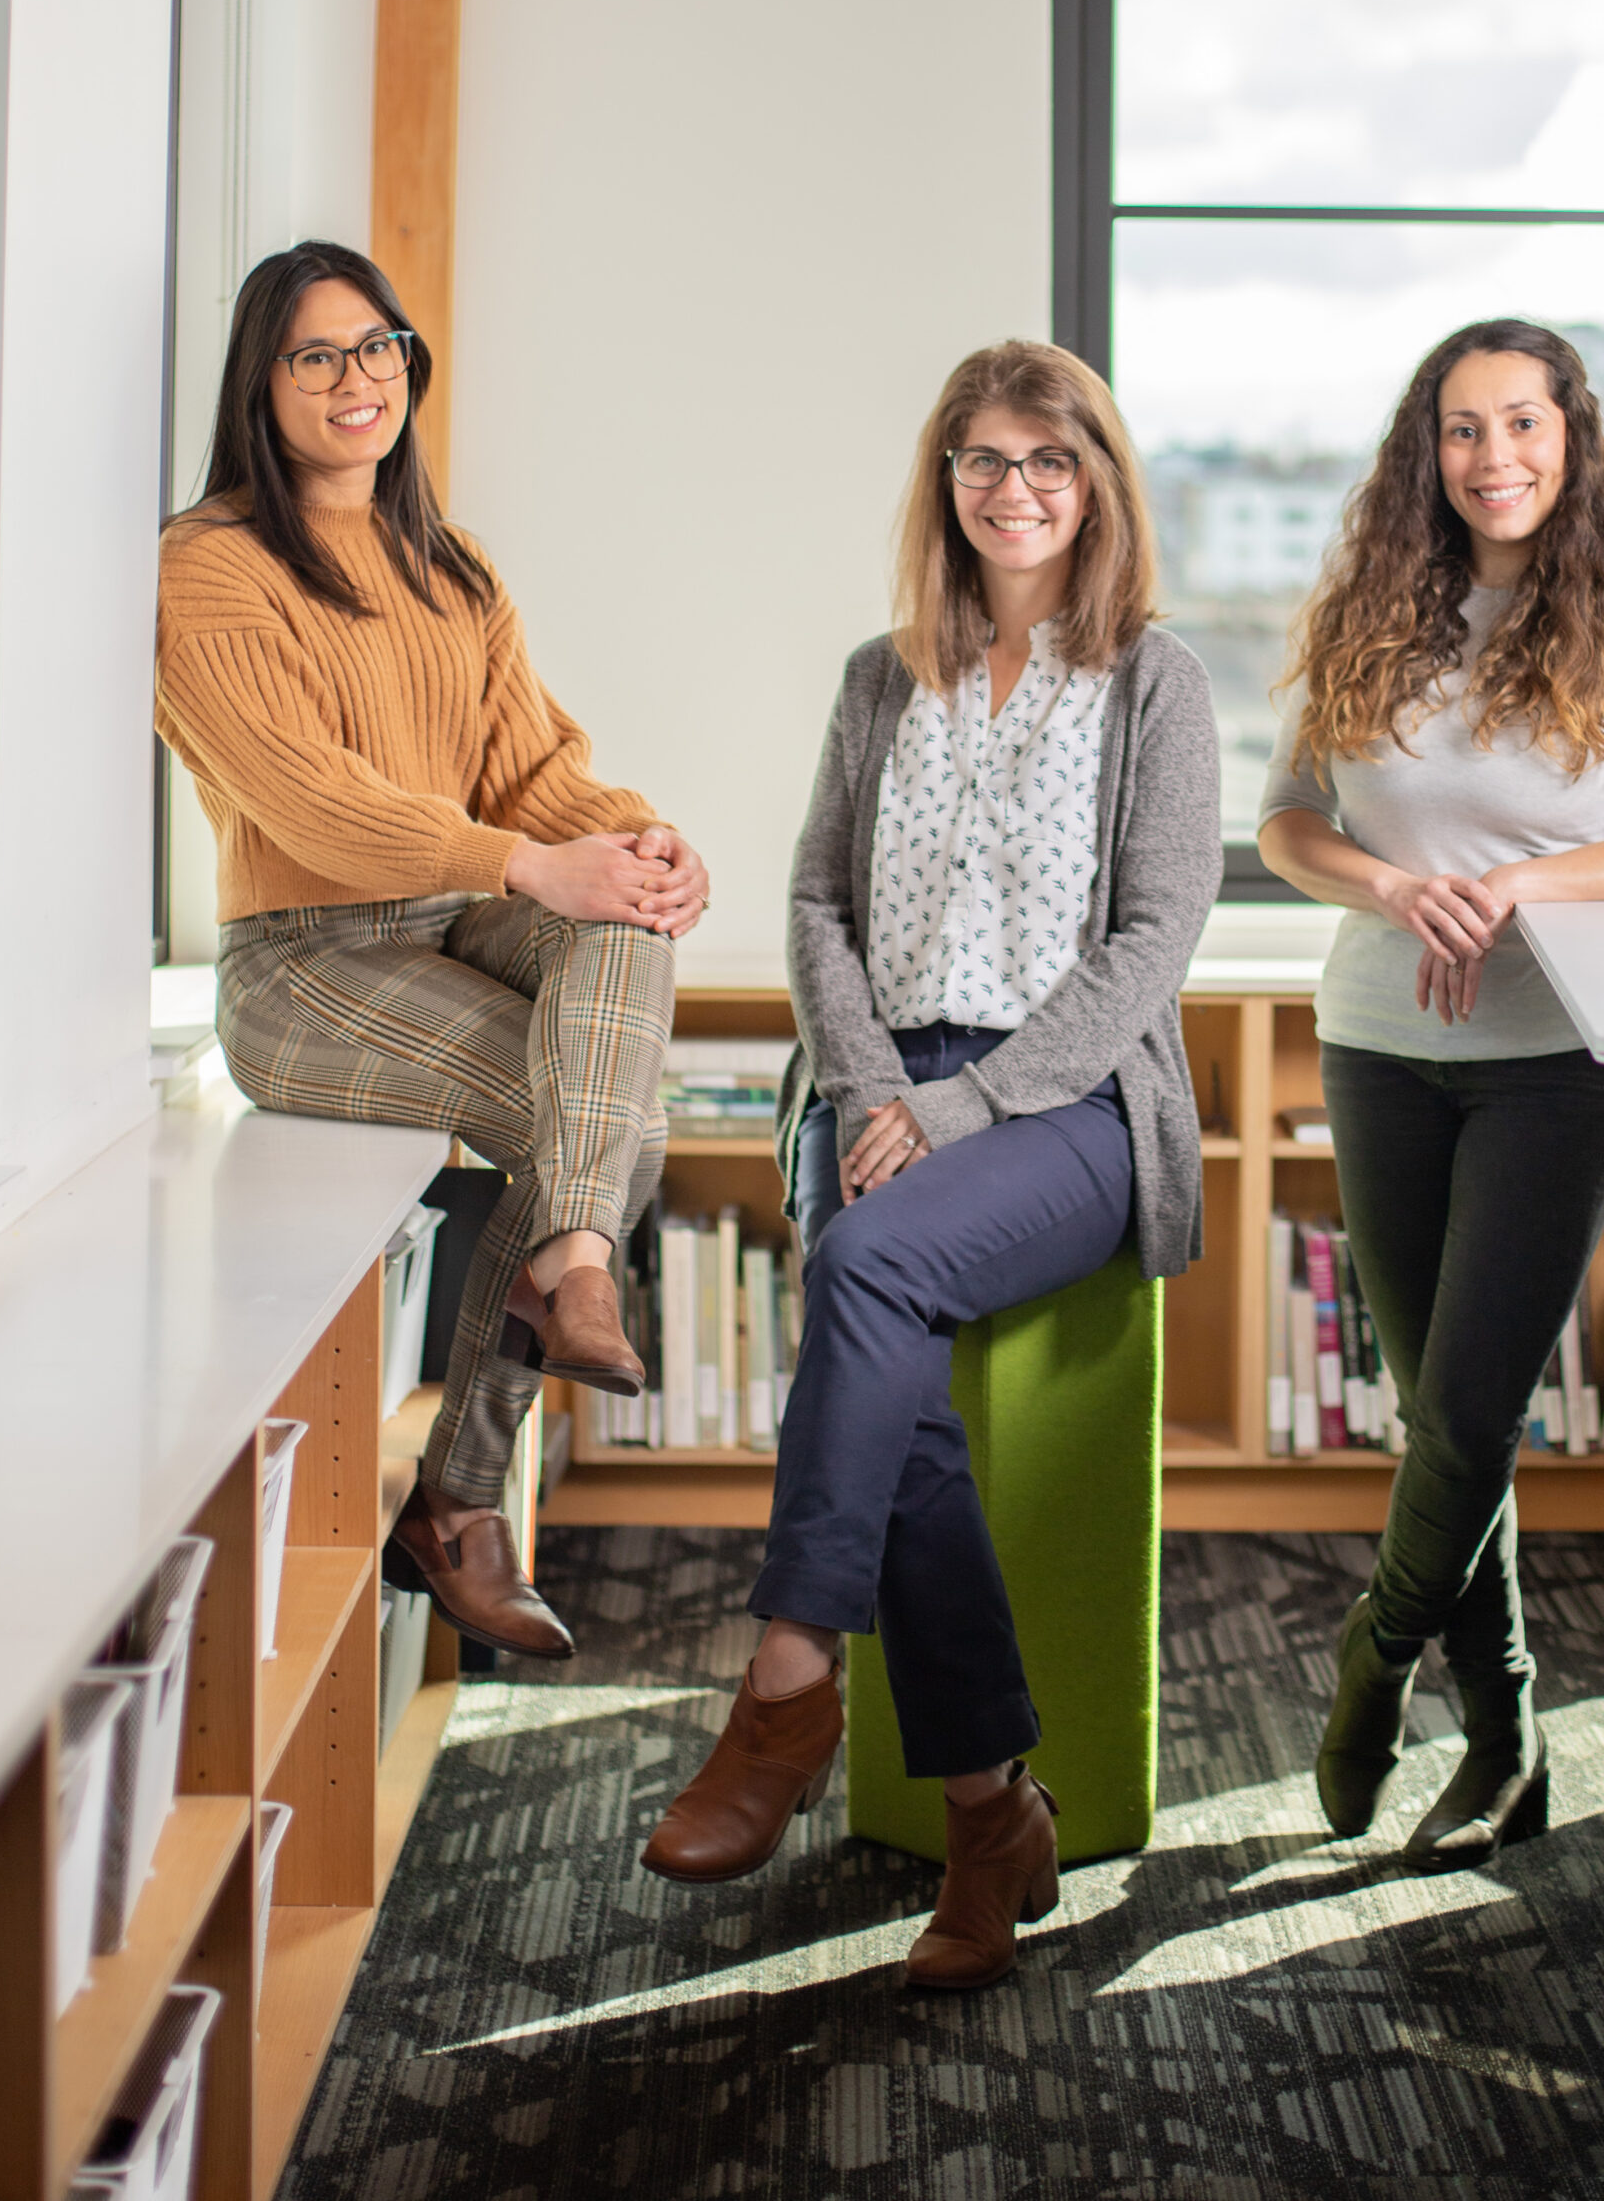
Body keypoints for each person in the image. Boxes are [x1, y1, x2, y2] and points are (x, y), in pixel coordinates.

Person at [641, 341, 1219, 1988]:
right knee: (896, 1384)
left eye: (1050, 459)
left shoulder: (1155, 683)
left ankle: (785, 1681)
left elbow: (1157, 938)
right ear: (944, 482)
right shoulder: (879, 676)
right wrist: (879, 1083)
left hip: (1072, 1110)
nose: (1016, 489)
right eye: (983, 460)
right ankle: (990, 1816)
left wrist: (962, 1111)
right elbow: (817, 904)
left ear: (1096, 480)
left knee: (864, 1267)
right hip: (883, 1082)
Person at [155, 241, 709, 1659]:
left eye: (379, 344)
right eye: (318, 356)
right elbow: (310, 802)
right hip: (302, 964)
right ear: (260, 386)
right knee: (596, 1116)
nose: (360, 378)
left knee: (624, 934)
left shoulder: (449, 571)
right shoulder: (208, 567)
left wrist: (642, 846)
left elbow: (535, 769)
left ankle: (556, 1282)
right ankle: (467, 1494)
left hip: (451, 915)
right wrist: (527, 862)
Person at [1257, 317, 1604, 1872]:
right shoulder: (1371, 610)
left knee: (1465, 1409)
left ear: (1572, 438)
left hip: (1561, 1062)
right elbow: (1287, 824)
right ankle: (1510, 1728)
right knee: (1442, 1421)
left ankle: (1373, 1665)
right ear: (1429, 452)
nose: (1494, 458)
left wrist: (1521, 884)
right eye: (1463, 430)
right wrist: (1397, 888)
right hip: (1379, 1051)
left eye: (1522, 424)